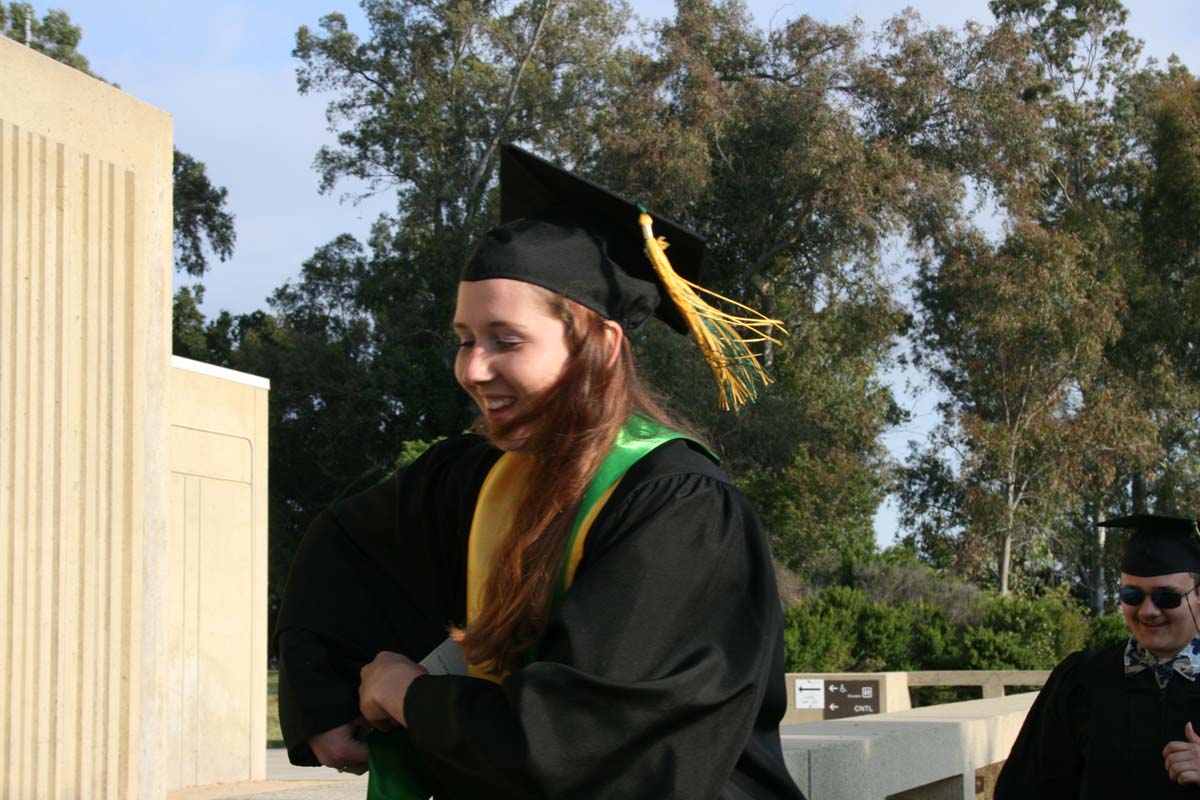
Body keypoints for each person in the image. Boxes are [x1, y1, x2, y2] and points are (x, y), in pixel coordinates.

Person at [274, 143, 806, 799]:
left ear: (602, 348)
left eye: (506, 339)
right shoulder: (471, 480)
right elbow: (343, 546)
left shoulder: (680, 509)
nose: (471, 369)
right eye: (466, 339)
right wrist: (322, 696)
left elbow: (583, 740)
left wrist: (408, 695)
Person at [994, 513, 1200, 798]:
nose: (1147, 611)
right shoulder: (1083, 680)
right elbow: (1025, 788)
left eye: (1167, 597)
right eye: (1132, 595)